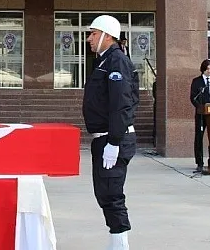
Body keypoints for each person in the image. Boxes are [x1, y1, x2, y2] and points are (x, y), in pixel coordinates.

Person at [82, 15, 138, 250]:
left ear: (107, 36)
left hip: (114, 138)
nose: (89, 39)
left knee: (112, 194)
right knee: (105, 194)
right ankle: (116, 241)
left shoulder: (116, 61)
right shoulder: (105, 61)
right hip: (105, 138)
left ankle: (120, 245)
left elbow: (121, 103)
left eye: (93, 34)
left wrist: (114, 142)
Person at [190, 59, 210, 173]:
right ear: (203, 69)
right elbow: (193, 97)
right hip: (201, 115)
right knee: (199, 137)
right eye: (207, 69)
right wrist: (200, 107)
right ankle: (199, 162)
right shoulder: (196, 82)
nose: (209, 71)